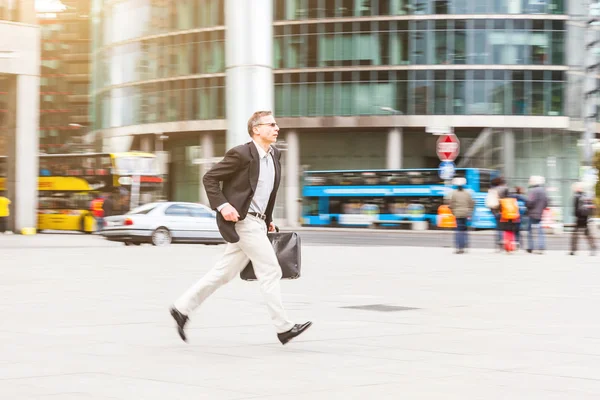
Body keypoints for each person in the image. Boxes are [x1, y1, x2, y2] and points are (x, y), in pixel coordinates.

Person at [170, 111, 312, 345]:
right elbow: (210, 179)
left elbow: (266, 191)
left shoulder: (274, 154)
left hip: (258, 221)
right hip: (242, 221)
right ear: (256, 129)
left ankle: (181, 308)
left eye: (276, 125)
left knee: (223, 273)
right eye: (271, 124)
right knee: (270, 270)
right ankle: (283, 328)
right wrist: (223, 205)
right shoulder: (241, 153)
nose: (277, 128)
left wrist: (267, 218)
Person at [449, 177, 474, 254]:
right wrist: (470, 212)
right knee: (464, 229)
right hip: (466, 213)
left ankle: (459, 248)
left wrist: (453, 212)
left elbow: (451, 204)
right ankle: (465, 246)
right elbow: (472, 203)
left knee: (458, 230)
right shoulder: (467, 193)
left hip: (457, 214)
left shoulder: (454, 193)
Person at [570, 182, 597, 256]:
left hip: (579, 218)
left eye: (574, 187)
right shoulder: (586, 195)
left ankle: (573, 250)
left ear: (577, 188)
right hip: (585, 218)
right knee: (586, 234)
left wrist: (576, 217)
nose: (573, 189)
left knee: (575, 234)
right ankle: (593, 248)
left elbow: (576, 210)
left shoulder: (576, 196)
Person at [525, 175, 548, 254]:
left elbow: (530, 202)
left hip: (532, 213)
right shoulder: (543, 191)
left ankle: (530, 247)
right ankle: (541, 247)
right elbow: (546, 202)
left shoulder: (533, 191)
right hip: (540, 213)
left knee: (529, 231)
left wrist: (527, 204)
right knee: (540, 231)